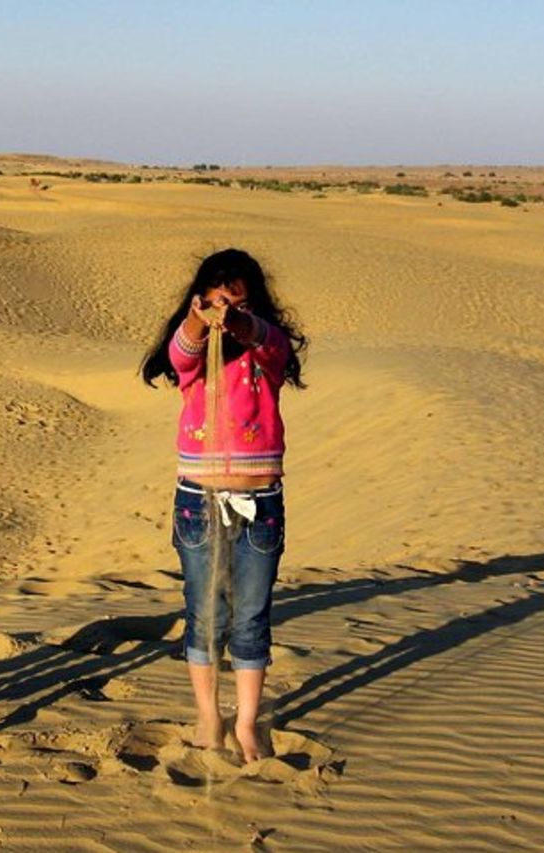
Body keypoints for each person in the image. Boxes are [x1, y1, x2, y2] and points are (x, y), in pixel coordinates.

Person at [140, 248, 306, 762]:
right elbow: (181, 353)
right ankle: (209, 716)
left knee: (252, 615)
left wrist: (241, 323)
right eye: (214, 301)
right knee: (206, 614)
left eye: (234, 301)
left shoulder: (265, 351)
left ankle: (248, 722)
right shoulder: (194, 360)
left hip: (260, 499)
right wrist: (199, 318)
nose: (222, 312)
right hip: (198, 499)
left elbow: (271, 341)